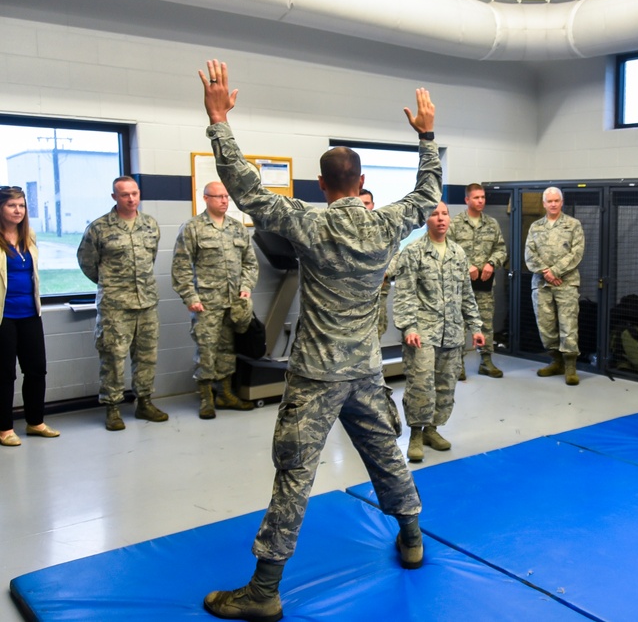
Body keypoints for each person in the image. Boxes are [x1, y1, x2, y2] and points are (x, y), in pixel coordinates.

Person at [198, 59, 440, 622]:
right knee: (387, 458)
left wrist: (218, 121)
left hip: (314, 378)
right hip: (366, 372)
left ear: (323, 186)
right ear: (361, 185)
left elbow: (246, 188)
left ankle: (264, 591)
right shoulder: (386, 223)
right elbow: (428, 193)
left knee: (294, 478)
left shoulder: (308, 222)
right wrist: (426, 136)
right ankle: (411, 537)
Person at [394, 202, 485, 463]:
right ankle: (415, 435)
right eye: (435, 214)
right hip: (422, 332)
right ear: (426, 220)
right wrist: (409, 327)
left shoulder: (458, 253)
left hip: (452, 332)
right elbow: (404, 294)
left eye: (444, 214)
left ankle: (432, 429)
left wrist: (476, 327)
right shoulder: (413, 252)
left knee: (445, 385)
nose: (441, 219)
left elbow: (467, 294)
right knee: (421, 384)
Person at [77, 176, 166, 431]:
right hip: (115, 306)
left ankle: (144, 402)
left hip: (147, 302)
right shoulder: (99, 228)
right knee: (113, 358)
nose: (131, 198)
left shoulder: (150, 224)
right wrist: (111, 283)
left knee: (147, 357)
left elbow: (151, 257)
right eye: (125, 194)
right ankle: (113, 408)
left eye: (135, 193)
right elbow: (87, 263)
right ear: (115, 197)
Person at [171, 181, 259, 419]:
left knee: (228, 350)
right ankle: (206, 397)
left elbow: (250, 263)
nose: (223, 201)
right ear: (206, 198)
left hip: (234, 303)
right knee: (207, 350)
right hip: (206, 303)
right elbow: (180, 267)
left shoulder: (238, 228)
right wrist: (190, 296)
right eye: (218, 196)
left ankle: (226, 394)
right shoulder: (192, 228)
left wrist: (246, 287)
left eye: (226, 197)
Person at [0, 186, 59, 447]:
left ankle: (35, 422)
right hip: (3, 316)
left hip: (30, 313)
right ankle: (4, 429)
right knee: (4, 374)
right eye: (11, 205)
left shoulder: (29, 236)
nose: (17, 210)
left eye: (21, 206)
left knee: (36, 370)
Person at [524, 186, 585, 385]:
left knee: (568, 325)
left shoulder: (573, 225)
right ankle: (556, 360)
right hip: (542, 284)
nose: (553, 204)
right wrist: (546, 273)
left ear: (562, 202)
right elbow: (529, 255)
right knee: (546, 325)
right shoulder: (535, 227)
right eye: (549, 201)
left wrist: (556, 271)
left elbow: (577, 252)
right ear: (544, 204)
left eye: (556, 201)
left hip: (566, 283)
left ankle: (570, 366)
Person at [447, 183, 508, 378]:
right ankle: (458, 365)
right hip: (460, 286)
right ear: (467, 200)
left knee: (485, 323)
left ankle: (486, 361)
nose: (480, 200)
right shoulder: (454, 224)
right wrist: (468, 266)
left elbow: (501, 249)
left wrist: (491, 263)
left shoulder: (492, 223)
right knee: (459, 324)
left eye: (482, 197)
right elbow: (447, 251)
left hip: (484, 284)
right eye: (476, 197)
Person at [360, 188, 393, 341]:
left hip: (378, 298)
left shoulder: (383, 229)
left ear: (373, 205)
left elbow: (396, 255)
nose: (364, 207)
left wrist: (384, 271)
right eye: (360, 204)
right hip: (354, 301)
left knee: (375, 339)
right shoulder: (343, 230)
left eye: (367, 203)